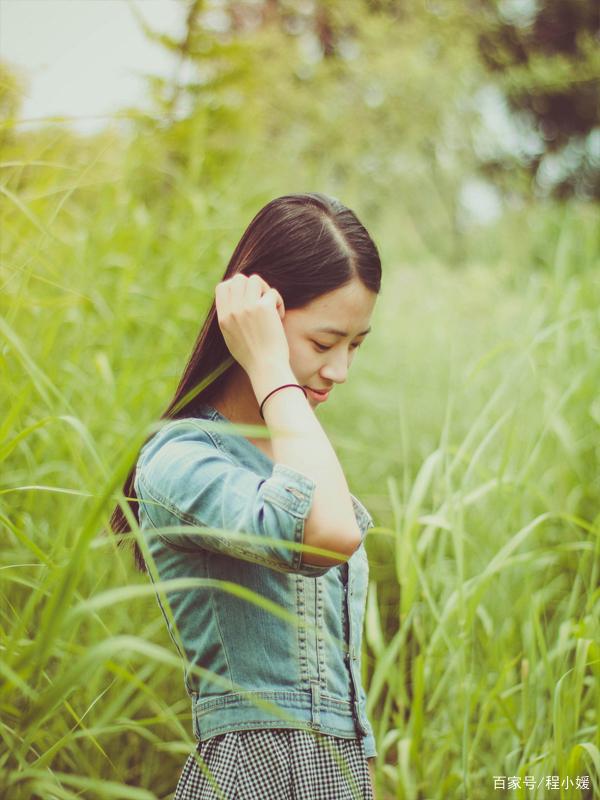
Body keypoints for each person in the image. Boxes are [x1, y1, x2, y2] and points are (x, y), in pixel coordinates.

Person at [110, 193, 382, 799]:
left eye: (356, 345)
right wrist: (269, 368)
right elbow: (331, 535)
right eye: (324, 342)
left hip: (338, 776)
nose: (340, 370)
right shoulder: (179, 459)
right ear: (259, 316)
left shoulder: (296, 453)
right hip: (256, 772)